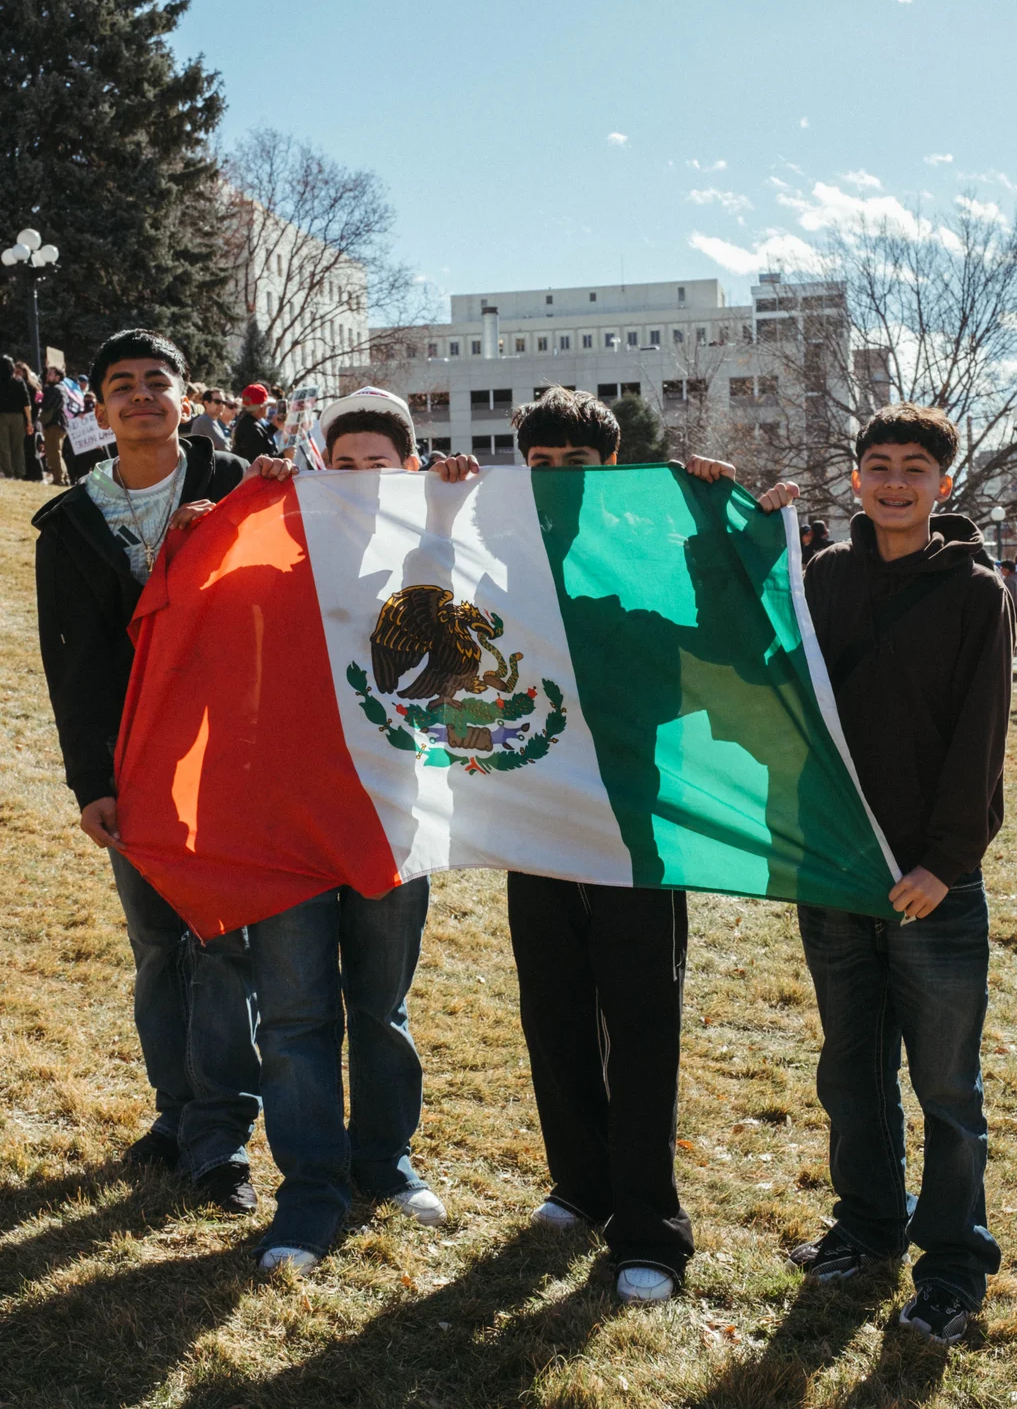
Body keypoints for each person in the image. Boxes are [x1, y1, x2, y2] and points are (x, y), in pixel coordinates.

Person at [475, 386, 794, 1305]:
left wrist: (710, 518)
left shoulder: (649, 547)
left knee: (642, 1024)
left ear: (609, 468)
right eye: (540, 464)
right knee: (555, 1011)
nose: (557, 479)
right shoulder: (495, 554)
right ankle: (580, 1185)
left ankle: (650, 1227)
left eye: (577, 464)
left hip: (634, 831)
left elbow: (725, 649)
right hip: (533, 826)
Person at [33, 327, 292, 1212]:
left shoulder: (239, 488)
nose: (141, 395)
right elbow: (69, 665)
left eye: (157, 382)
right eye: (122, 385)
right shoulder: (70, 523)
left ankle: (220, 1136)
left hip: (229, 757)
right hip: (134, 763)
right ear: (98, 410)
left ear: (188, 399)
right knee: (155, 947)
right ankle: (176, 1112)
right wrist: (89, 782)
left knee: (223, 943)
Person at [788, 404, 1013, 1347]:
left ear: (941, 485)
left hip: (930, 884)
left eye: (912, 467)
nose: (892, 480)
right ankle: (867, 1230)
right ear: (853, 478)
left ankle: (953, 1265)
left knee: (946, 1088)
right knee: (850, 1070)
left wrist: (941, 862)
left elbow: (979, 738)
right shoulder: (822, 578)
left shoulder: (974, 591)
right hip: (835, 872)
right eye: (876, 463)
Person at [248, 387, 461, 1277]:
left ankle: (384, 1163)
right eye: (345, 465)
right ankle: (310, 1191)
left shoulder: (438, 550)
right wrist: (234, 506)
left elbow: (453, 651)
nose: (363, 479)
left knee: (380, 1004)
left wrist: (447, 519)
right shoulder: (277, 545)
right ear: (320, 471)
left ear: (408, 470)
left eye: (381, 464)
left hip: (389, 814)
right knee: (295, 1013)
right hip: (285, 817)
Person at [0, 353, 32, 478]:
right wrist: (29, 421)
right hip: (18, 417)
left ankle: (9, 473)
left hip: (2, 417)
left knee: (4, 447)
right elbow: (26, 404)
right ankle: (20, 473)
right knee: (18, 446)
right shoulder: (19, 381)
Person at [232, 383, 279, 464]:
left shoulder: (246, 421)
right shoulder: (252, 428)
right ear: (262, 407)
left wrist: (274, 427)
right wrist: (284, 455)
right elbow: (260, 464)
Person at [40, 364, 69, 485]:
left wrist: (40, 399)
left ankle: (59, 479)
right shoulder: (57, 388)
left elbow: (47, 404)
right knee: (54, 452)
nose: (48, 376)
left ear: (58, 377)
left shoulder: (56, 389)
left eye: (50, 374)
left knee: (54, 453)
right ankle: (64, 478)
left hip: (55, 424)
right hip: (55, 424)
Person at [15, 362, 44, 481]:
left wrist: (30, 422)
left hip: (30, 421)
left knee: (31, 449)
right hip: (27, 421)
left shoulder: (30, 387)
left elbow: (34, 407)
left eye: (19, 372)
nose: (16, 374)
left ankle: (36, 474)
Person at [187, 386, 231, 451]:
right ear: (206, 403)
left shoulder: (211, 420)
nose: (221, 405)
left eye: (224, 402)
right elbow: (224, 447)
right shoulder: (205, 420)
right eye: (217, 401)